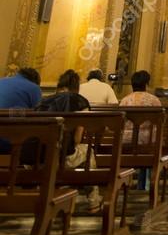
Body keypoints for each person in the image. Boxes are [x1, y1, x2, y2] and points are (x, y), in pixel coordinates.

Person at [37, 69, 101, 211]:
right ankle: (94, 202)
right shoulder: (79, 103)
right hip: (62, 157)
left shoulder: (44, 102)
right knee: (87, 152)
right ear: (77, 88)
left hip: (38, 158)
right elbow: (77, 139)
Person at [0, 68, 42, 154]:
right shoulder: (34, 88)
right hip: (10, 141)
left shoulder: (1, 81)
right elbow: (38, 114)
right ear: (35, 81)